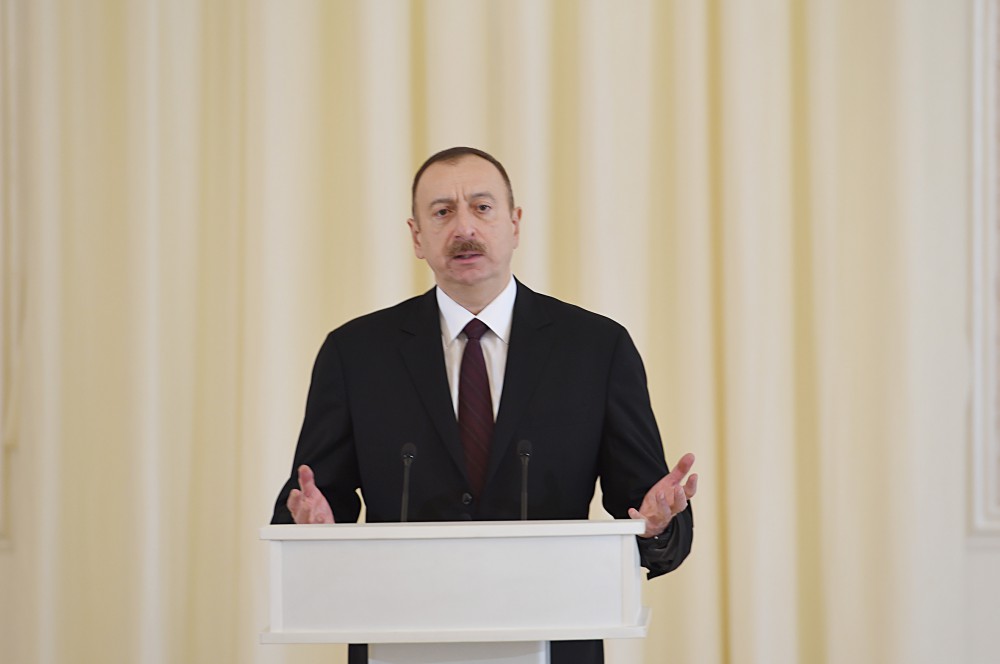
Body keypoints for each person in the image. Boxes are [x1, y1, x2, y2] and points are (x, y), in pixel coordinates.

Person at [271, 147, 697, 664]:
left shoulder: (596, 348)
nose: (464, 227)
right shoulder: (356, 353)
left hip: (555, 635)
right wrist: (311, 530)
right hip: (400, 637)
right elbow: (313, 501)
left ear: (514, 224)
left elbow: (648, 512)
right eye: (442, 211)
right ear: (416, 236)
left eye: (482, 207)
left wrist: (655, 524)